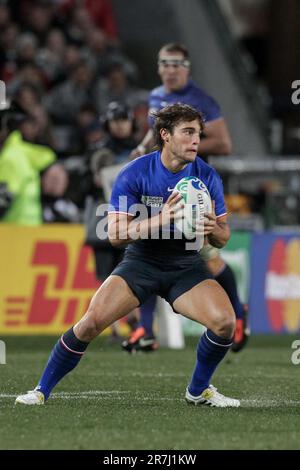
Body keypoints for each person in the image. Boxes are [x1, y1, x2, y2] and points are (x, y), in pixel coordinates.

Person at [15, 103, 240, 407]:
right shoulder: (135, 172)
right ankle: (40, 390)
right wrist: (162, 217)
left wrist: (214, 227)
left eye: (198, 133)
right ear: (165, 135)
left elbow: (223, 237)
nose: (196, 140)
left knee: (225, 323)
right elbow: (115, 235)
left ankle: (198, 391)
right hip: (141, 262)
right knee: (91, 323)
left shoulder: (207, 176)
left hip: (185, 264)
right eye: (187, 132)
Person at [127, 43, 249, 353]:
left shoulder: (201, 101)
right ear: (158, 68)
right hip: (157, 183)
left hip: (192, 189)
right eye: (164, 63)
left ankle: (237, 314)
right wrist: (144, 148)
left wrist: (186, 145)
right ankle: (145, 328)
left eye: (176, 63)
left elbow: (224, 143)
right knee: (149, 248)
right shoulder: (156, 96)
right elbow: (156, 132)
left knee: (209, 256)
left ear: (187, 67)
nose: (169, 69)